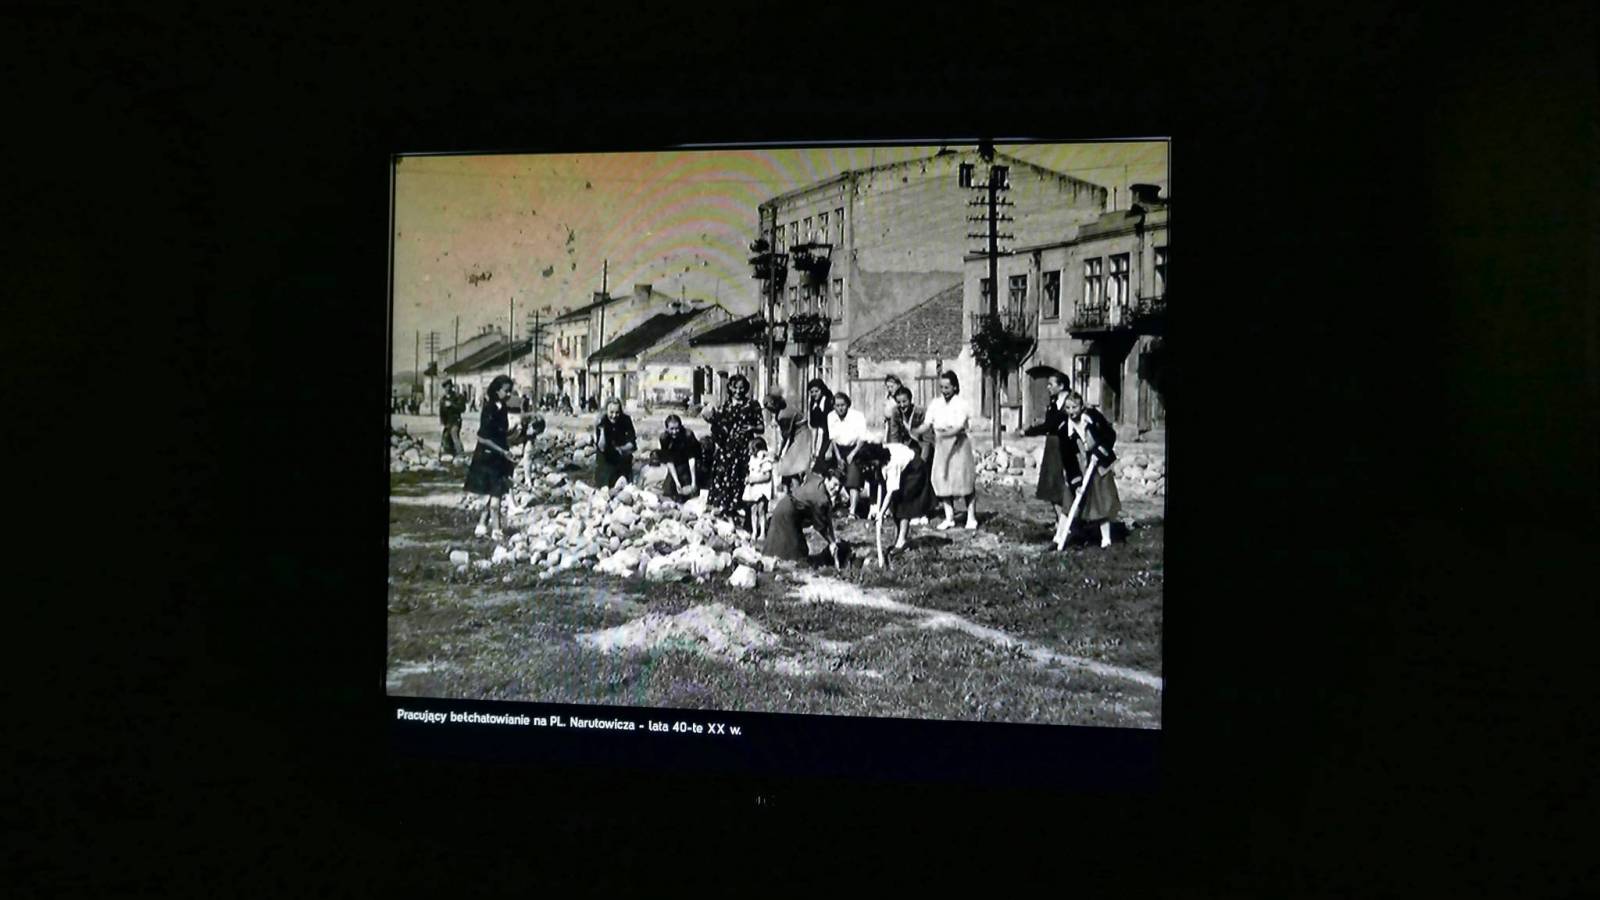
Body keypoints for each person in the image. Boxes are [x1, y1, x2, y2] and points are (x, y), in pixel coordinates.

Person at [917, 370, 978, 530]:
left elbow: (958, 427)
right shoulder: (936, 404)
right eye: (942, 387)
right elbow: (927, 423)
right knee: (942, 479)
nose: (944, 391)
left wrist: (944, 435)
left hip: (958, 444)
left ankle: (971, 517)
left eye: (947, 387)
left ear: (955, 387)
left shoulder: (961, 404)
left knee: (964, 480)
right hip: (942, 444)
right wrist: (917, 430)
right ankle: (949, 517)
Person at [1062, 390, 1121, 549]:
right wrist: (1076, 482)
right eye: (1068, 408)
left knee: (1101, 501)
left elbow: (1110, 435)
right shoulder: (1065, 429)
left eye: (1074, 407)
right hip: (1080, 466)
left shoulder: (1093, 417)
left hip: (1098, 465)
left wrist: (1099, 452)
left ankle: (1106, 539)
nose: (1071, 411)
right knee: (1073, 501)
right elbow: (1068, 458)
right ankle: (1067, 536)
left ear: (1081, 407)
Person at [463, 375, 520, 539]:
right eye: (506, 391)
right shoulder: (489, 408)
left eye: (510, 391)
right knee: (496, 496)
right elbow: (482, 437)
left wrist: (513, 433)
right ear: (496, 390)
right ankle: (497, 530)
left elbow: (499, 434)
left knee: (493, 492)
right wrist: (502, 451)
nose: (509, 394)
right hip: (487, 457)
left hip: (498, 456)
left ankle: (482, 525)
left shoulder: (503, 407)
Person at [1023, 372, 1076, 549]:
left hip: (1067, 447)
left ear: (1061, 386)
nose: (1048, 387)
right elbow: (1049, 425)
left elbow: (1054, 425)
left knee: (1065, 486)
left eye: (1051, 384)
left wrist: (1029, 431)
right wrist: (1031, 430)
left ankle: (1067, 524)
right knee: (1052, 486)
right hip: (1053, 445)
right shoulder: (1053, 403)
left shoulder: (1071, 402)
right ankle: (1061, 522)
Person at [882, 385, 938, 548]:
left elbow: (927, 439)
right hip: (904, 452)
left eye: (904, 402)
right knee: (904, 485)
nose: (902, 405)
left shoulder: (920, 412)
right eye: (899, 402)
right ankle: (906, 514)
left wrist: (923, 461)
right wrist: (895, 454)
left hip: (921, 447)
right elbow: (894, 436)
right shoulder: (895, 413)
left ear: (910, 400)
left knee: (921, 479)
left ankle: (923, 511)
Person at [762, 461, 846, 568]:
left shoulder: (818, 481)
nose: (837, 489)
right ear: (827, 480)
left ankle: (778, 561)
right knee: (792, 550)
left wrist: (833, 539)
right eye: (835, 485)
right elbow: (820, 526)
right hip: (787, 512)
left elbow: (827, 516)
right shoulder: (820, 499)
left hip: (789, 508)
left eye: (840, 486)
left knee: (799, 548)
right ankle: (779, 565)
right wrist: (831, 542)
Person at [704, 374, 765, 518]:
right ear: (730, 388)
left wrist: (751, 428)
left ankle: (745, 514)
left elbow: (761, 427)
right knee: (725, 478)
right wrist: (711, 420)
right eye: (735, 388)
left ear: (746, 388)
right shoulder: (726, 406)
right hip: (727, 448)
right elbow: (718, 427)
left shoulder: (752, 405)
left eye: (741, 388)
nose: (738, 391)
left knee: (742, 478)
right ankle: (727, 511)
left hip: (745, 448)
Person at [826, 391, 871, 517]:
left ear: (848, 405)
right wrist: (838, 457)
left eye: (843, 405)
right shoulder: (831, 417)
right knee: (833, 476)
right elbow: (833, 439)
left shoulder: (857, 416)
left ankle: (852, 512)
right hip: (840, 449)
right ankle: (832, 507)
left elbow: (862, 438)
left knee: (853, 478)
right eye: (837, 405)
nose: (840, 408)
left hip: (856, 448)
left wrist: (853, 454)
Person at [656, 413, 703, 502]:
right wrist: (677, 482)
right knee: (669, 492)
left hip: (692, 461)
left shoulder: (688, 435)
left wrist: (693, 482)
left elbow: (692, 459)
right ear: (666, 429)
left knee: (692, 491)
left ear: (681, 427)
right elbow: (669, 461)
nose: (674, 432)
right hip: (676, 462)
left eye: (677, 428)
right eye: (671, 429)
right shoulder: (664, 438)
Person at [594, 398, 636, 489]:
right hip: (606, 462)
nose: (614, 416)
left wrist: (620, 449)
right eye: (611, 412)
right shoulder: (602, 421)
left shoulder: (626, 420)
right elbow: (601, 447)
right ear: (606, 411)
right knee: (605, 491)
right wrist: (602, 430)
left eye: (617, 412)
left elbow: (632, 444)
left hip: (622, 460)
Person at [742, 436, 775, 540]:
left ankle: (762, 532)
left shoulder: (765, 461)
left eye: (753, 450)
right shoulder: (753, 459)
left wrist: (753, 479)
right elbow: (751, 471)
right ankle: (754, 531)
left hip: (762, 489)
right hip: (753, 489)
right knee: (753, 510)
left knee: (761, 510)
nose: (751, 453)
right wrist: (748, 478)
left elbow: (767, 476)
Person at [805, 378, 834, 468]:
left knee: (824, 461)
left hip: (831, 436)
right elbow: (814, 427)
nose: (814, 394)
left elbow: (833, 428)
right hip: (822, 436)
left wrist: (830, 448)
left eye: (816, 391)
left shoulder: (828, 403)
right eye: (812, 392)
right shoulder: (812, 404)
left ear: (822, 390)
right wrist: (813, 448)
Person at [439, 380, 465, 458]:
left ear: (451, 387)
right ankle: (450, 452)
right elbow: (441, 412)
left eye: (449, 387)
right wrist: (442, 422)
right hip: (448, 422)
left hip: (456, 420)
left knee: (454, 434)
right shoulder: (443, 399)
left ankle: (460, 453)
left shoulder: (458, 397)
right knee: (446, 437)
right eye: (445, 387)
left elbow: (462, 408)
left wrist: (452, 405)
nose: (447, 389)